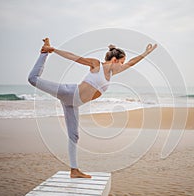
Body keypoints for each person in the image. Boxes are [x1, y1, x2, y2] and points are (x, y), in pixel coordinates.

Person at [28, 38, 157, 178]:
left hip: (73, 104)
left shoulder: (111, 73)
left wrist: (146, 53)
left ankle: (74, 170)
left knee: (74, 136)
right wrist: (53, 50)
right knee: (33, 79)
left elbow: (132, 63)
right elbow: (75, 58)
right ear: (114, 60)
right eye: (121, 62)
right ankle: (44, 52)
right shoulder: (97, 65)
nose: (123, 65)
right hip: (69, 92)